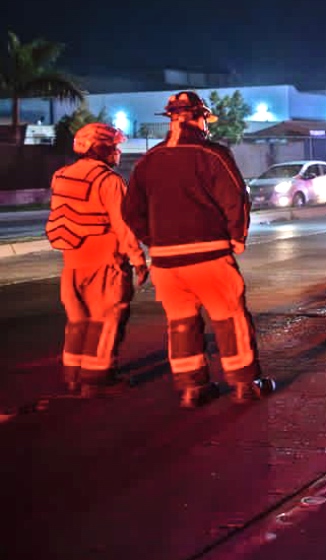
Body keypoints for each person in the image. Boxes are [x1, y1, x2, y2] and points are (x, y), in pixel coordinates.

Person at [122, 91, 275, 408]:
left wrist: (155, 240)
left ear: (171, 119)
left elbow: (130, 211)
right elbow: (236, 198)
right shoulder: (212, 154)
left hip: (166, 263)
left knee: (181, 324)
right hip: (210, 256)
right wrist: (237, 237)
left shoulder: (148, 161)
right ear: (199, 118)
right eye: (205, 119)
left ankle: (193, 389)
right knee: (230, 319)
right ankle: (245, 384)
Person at [45, 123, 150, 397]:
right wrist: (138, 259)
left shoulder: (61, 176)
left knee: (78, 321)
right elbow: (123, 225)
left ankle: (73, 376)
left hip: (72, 264)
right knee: (106, 320)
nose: (117, 152)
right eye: (114, 147)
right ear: (100, 148)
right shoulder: (109, 180)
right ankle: (97, 379)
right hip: (105, 262)